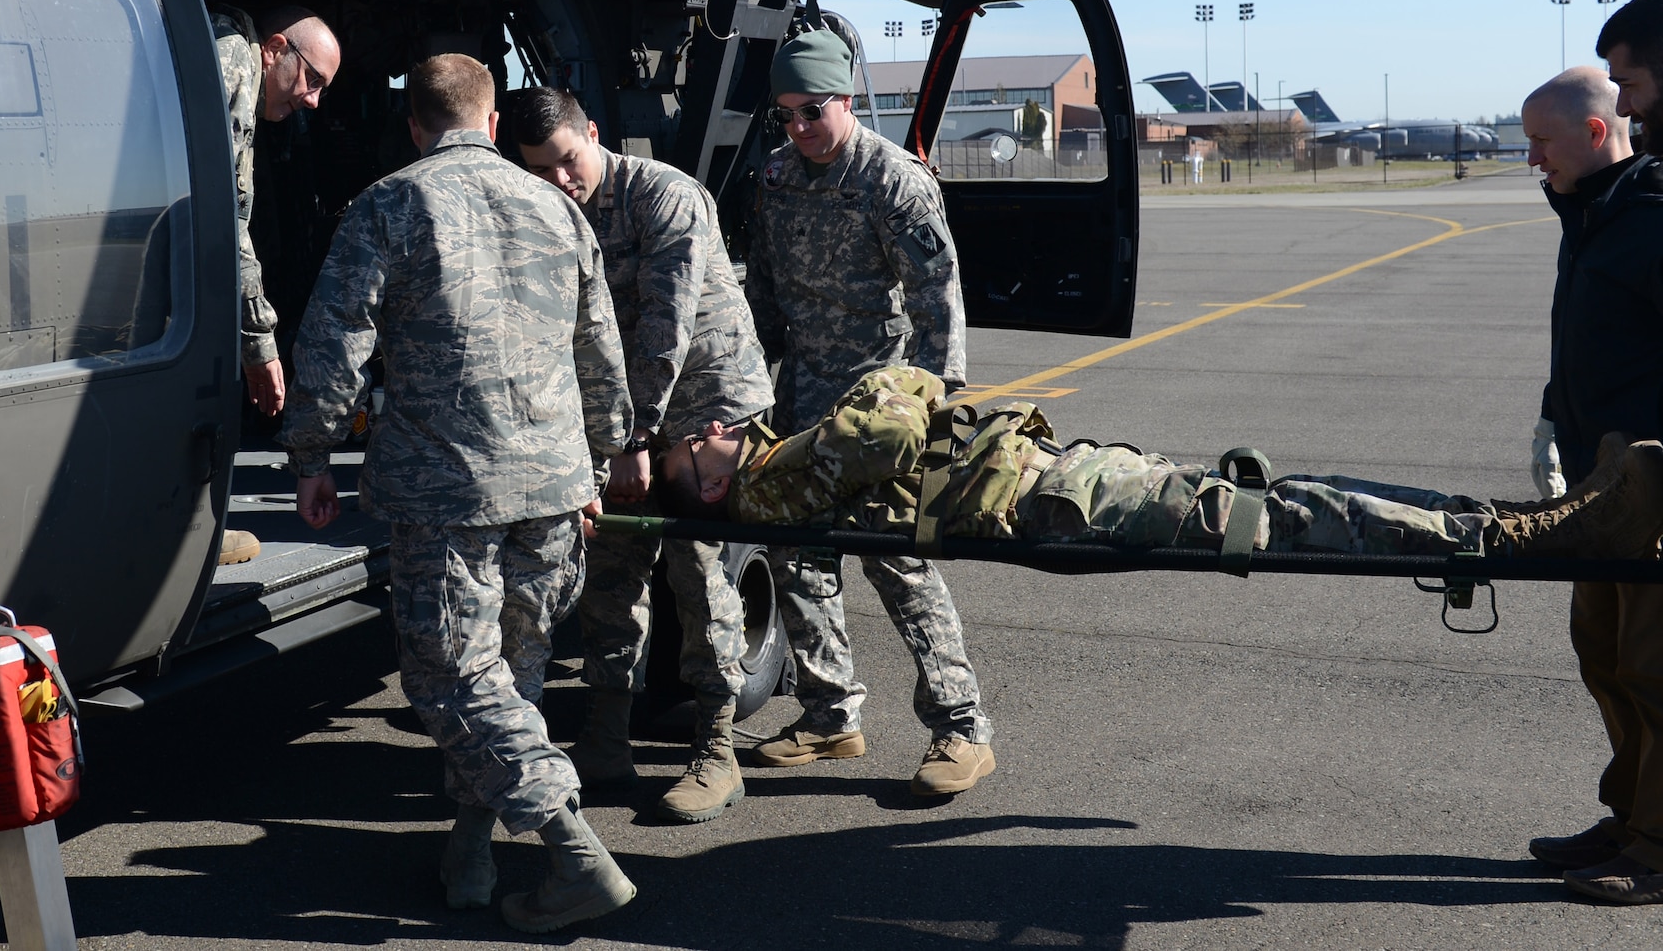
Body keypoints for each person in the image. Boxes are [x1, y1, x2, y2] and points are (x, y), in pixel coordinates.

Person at [279, 55, 638, 932]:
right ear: (487, 120)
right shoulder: (557, 204)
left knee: (452, 680)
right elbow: (601, 351)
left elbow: (335, 340)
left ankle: (574, 850)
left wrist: (311, 452)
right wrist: (600, 461)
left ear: (413, 124)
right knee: (510, 673)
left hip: (452, 491)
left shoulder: (389, 204)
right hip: (550, 486)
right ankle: (470, 852)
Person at [646, 364, 1663, 563]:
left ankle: (1507, 517)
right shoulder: (774, 486)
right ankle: (1512, 532)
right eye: (695, 446)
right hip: (1055, 498)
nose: (712, 430)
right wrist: (885, 381)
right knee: (1283, 516)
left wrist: (893, 384)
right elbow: (894, 416)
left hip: (1061, 478)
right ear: (710, 485)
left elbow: (904, 395)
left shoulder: (785, 456)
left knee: (1281, 499)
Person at [742, 26, 995, 798]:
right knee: (794, 557)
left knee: (897, 559)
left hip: (882, 405)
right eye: (783, 114)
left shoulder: (894, 180)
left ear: (845, 99)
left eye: (811, 111)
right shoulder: (777, 177)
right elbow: (761, 294)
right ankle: (829, 714)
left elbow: (936, 301)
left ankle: (962, 729)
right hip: (803, 396)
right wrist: (748, 387)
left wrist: (934, 403)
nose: (798, 128)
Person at [512, 87, 775, 824]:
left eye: (568, 159)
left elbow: (668, 325)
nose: (560, 180)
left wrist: (635, 441)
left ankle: (716, 751)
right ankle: (604, 734)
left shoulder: (664, 195)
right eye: (540, 170)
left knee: (697, 570)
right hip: (622, 411)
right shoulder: (546, 211)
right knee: (611, 566)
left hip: (704, 404)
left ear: (592, 132)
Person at [1523, 0, 1663, 905]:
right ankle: (1631, 814)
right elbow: (1585, 344)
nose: (1532, 158)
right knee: (1603, 654)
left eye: (1543, 141)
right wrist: (1549, 418)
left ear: (1597, 129)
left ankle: (1657, 849)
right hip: (1597, 485)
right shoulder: (1591, 216)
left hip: (1650, 485)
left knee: (1655, 668)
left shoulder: (1651, 216)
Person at [211, 4, 341, 565]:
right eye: (311, 78)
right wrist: (260, 343)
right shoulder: (235, 62)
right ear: (276, 47)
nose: (312, 99)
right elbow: (224, 219)